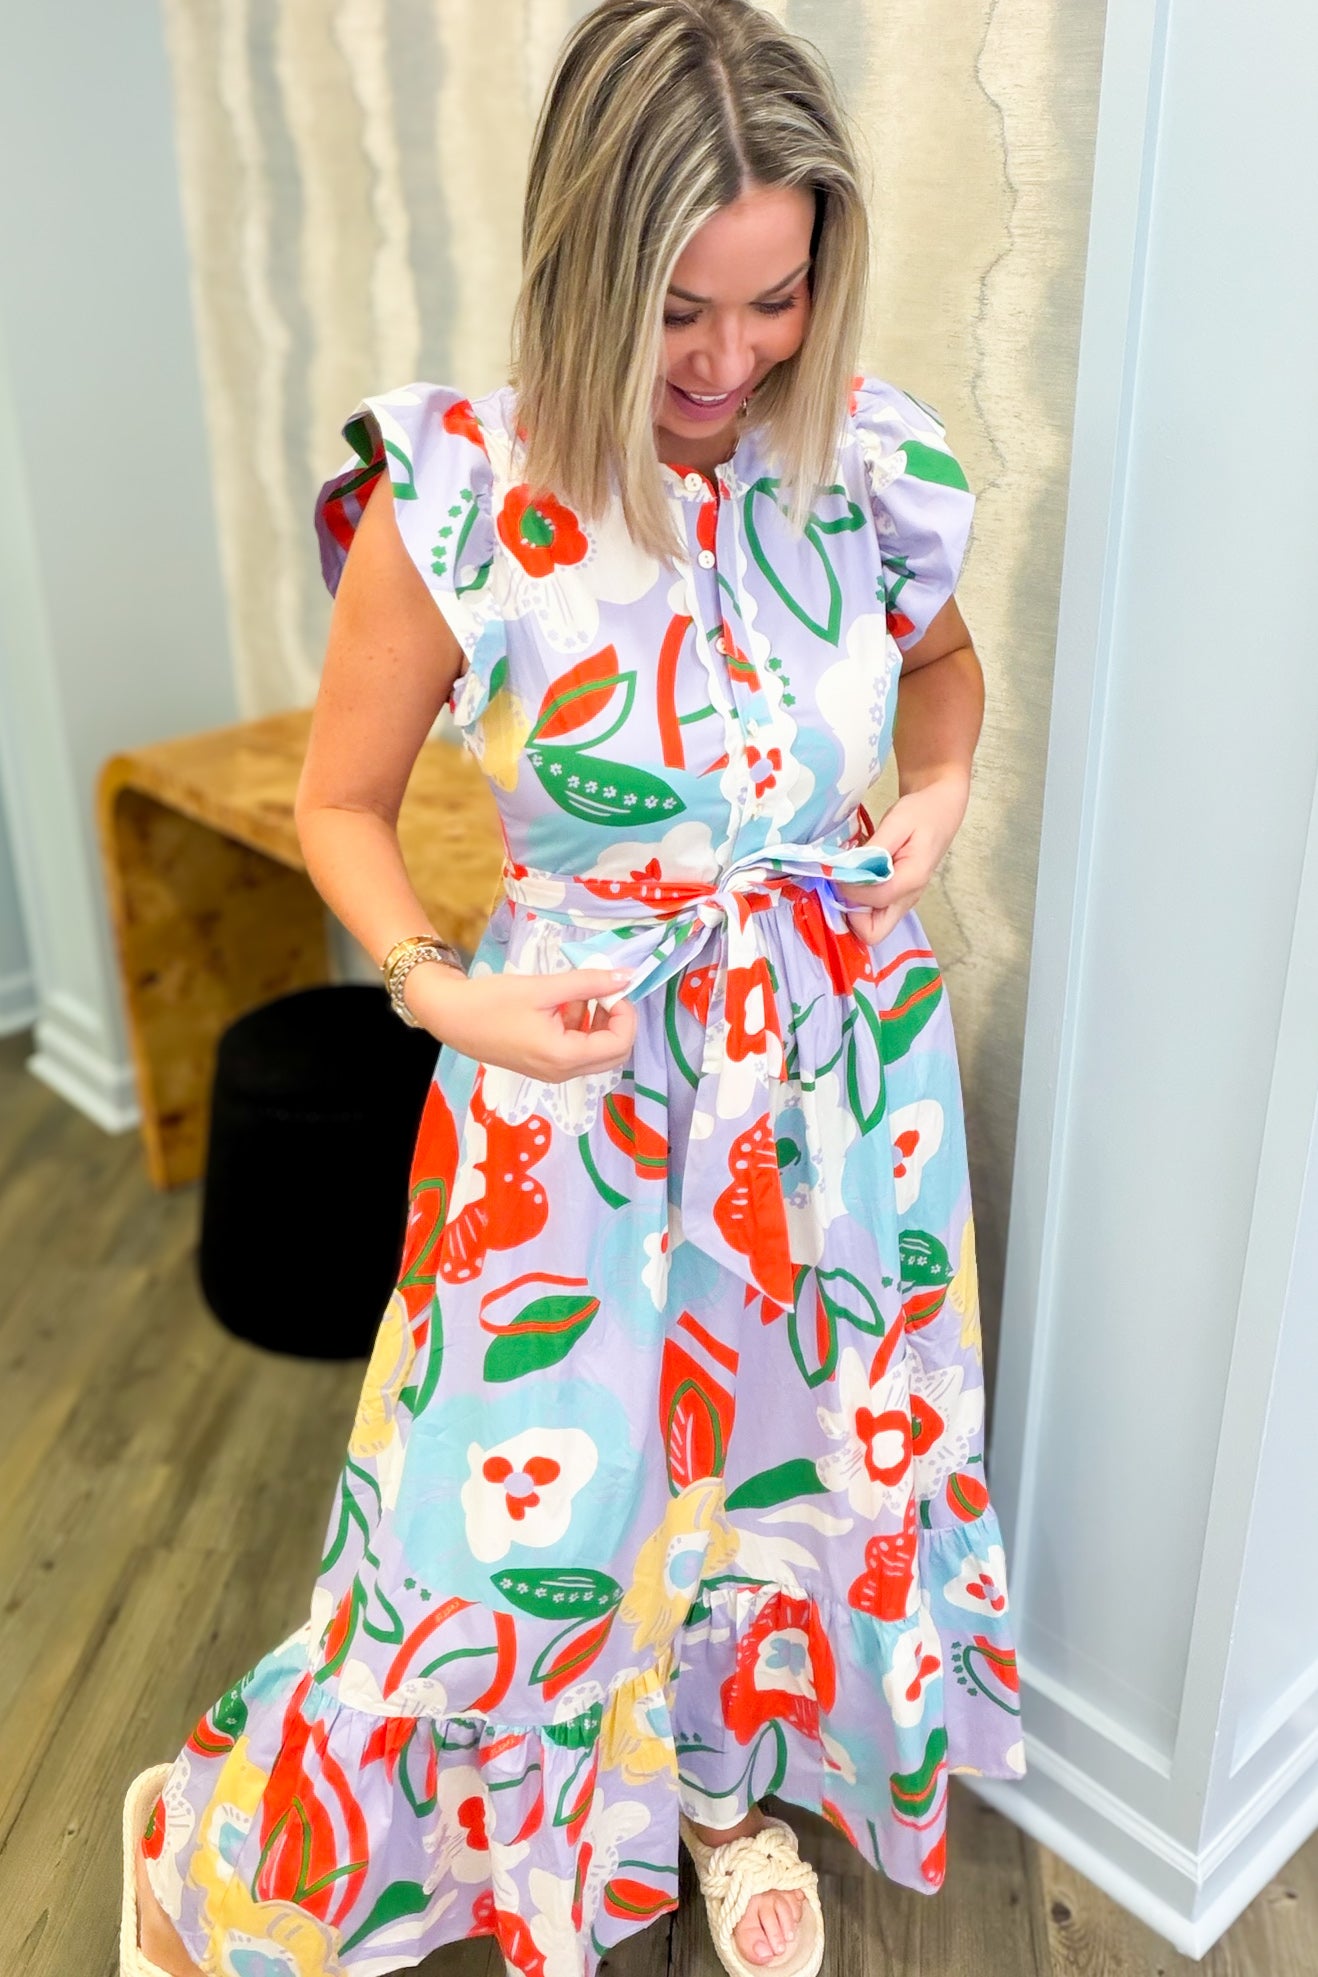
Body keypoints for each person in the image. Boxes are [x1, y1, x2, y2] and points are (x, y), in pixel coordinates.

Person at [122, 3, 1024, 1974]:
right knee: (510, 1516)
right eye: (678, 309)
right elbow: (343, 804)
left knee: (784, 1452)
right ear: (583, 263)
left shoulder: (856, 456)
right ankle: (429, 1829)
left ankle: (718, 1785)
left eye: (774, 298)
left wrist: (938, 793)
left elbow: (943, 671)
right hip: (575, 1087)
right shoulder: (461, 489)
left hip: (830, 1073)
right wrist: (442, 994)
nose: (726, 361)